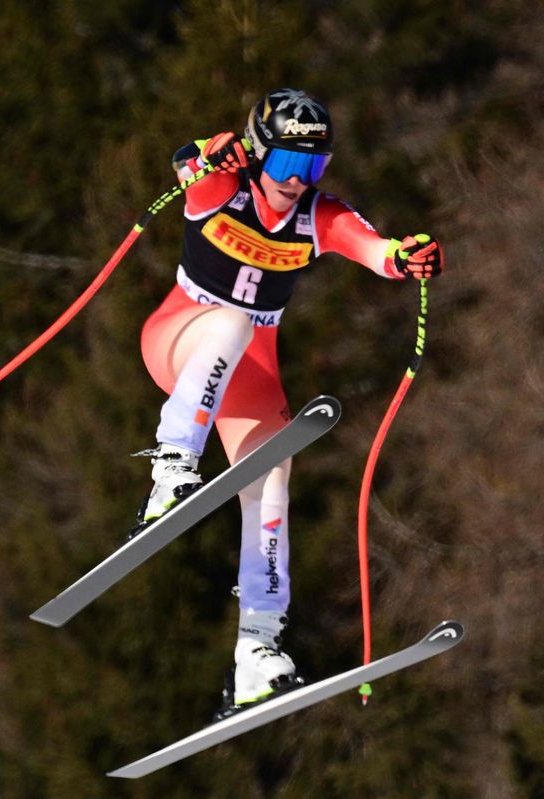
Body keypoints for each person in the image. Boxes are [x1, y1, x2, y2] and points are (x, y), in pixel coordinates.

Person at [133, 88, 444, 714]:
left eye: (313, 166)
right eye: (285, 164)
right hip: (180, 340)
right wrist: (207, 154)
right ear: (258, 154)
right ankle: (171, 469)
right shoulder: (224, 189)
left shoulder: (318, 217)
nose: (297, 180)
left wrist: (405, 258)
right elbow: (188, 164)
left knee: (272, 477)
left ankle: (258, 649)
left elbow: (375, 250)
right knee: (230, 323)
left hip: (249, 371)